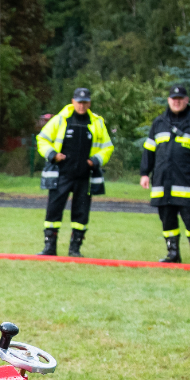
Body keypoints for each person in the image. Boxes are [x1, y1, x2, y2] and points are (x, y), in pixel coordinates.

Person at [35, 87, 113, 257]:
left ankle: (75, 249)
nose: (81, 106)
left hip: (84, 176)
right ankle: (49, 248)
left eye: (85, 102)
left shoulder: (97, 122)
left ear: (89, 103)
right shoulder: (60, 120)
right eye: (79, 102)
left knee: (81, 214)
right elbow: (42, 139)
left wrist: (95, 160)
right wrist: (52, 155)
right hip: (61, 174)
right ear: (73, 102)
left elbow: (107, 147)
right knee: (53, 211)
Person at [141, 85, 190, 265]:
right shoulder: (159, 122)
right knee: (166, 219)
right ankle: (173, 254)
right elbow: (149, 150)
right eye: (174, 99)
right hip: (162, 181)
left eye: (180, 99)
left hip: (186, 180)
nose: (177, 102)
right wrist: (144, 173)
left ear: (186, 100)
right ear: (169, 100)